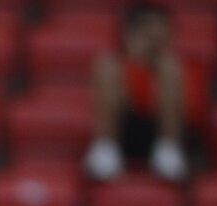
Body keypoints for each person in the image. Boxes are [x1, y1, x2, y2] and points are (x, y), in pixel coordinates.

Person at [82, 1, 206, 183]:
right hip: (126, 131)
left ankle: (168, 152)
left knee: (169, 68)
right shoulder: (115, 67)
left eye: (161, 26)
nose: (156, 33)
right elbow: (128, 102)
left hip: (166, 133)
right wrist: (136, 66)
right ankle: (106, 150)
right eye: (147, 28)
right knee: (106, 65)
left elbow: (193, 112)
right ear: (131, 32)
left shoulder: (183, 66)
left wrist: (154, 67)